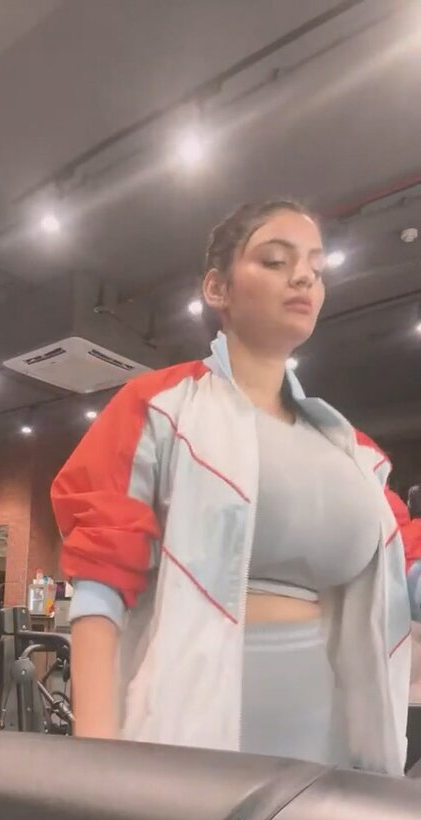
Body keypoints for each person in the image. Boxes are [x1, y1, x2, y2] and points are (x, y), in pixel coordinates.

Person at [51, 199, 421, 775]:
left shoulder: (356, 455)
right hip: (188, 738)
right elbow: (101, 577)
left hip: (332, 747)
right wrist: (95, 757)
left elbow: (407, 567)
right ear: (217, 288)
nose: (303, 277)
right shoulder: (161, 408)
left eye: (316, 268)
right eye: (275, 260)